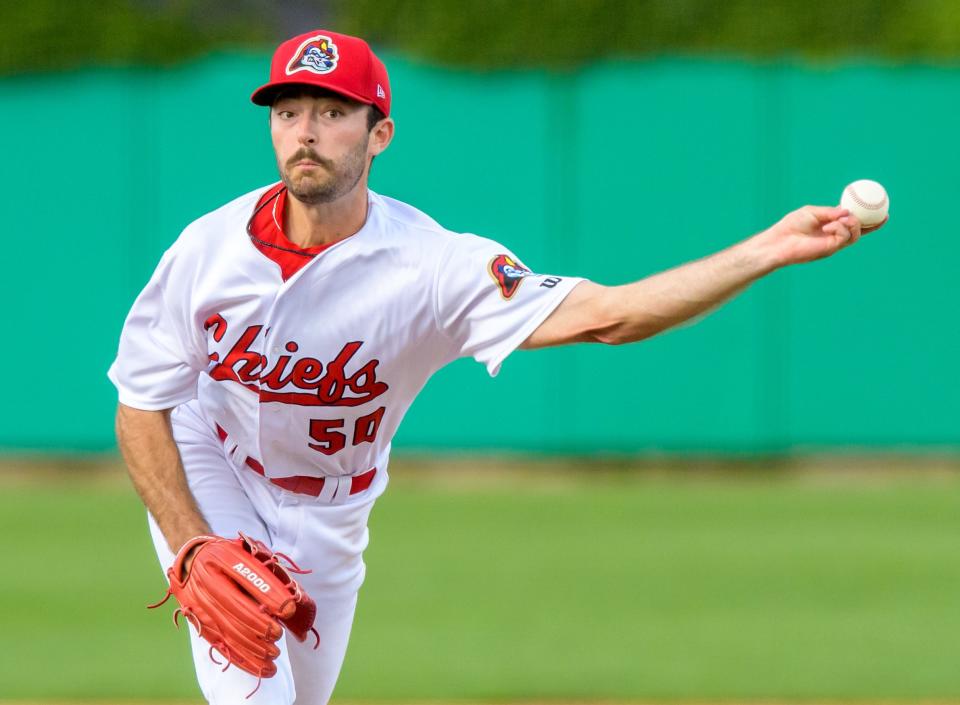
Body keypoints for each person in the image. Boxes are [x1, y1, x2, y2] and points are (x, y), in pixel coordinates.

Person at [109, 28, 882, 705]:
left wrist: (767, 250)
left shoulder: (433, 267)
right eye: (288, 111)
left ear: (379, 135)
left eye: (333, 112)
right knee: (253, 690)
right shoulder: (208, 250)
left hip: (337, 511)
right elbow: (142, 402)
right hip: (217, 468)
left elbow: (613, 316)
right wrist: (191, 542)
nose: (304, 131)